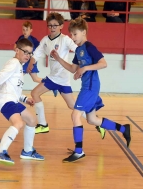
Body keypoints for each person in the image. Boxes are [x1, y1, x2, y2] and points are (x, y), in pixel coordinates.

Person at [51, 18, 131, 162]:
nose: (73, 38)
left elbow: (103, 63)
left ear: (84, 32)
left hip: (91, 87)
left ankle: (79, 151)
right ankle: (124, 129)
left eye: (75, 34)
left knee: (75, 116)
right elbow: (72, 68)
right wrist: (58, 59)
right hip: (87, 86)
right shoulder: (78, 50)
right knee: (92, 119)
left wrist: (86, 68)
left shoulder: (89, 47)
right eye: (71, 35)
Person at [27, 12, 105, 138]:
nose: (52, 28)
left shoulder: (66, 39)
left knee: (35, 93)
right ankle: (96, 122)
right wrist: (31, 62)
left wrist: (82, 68)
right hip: (57, 77)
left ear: (61, 26)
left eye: (55, 25)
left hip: (60, 76)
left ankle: (43, 125)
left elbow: (80, 51)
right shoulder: (46, 40)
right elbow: (37, 53)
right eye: (50, 25)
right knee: (72, 106)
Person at [0, 38, 45, 166]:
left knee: (32, 120)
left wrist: (25, 99)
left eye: (30, 53)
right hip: (5, 101)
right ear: (17, 50)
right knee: (18, 123)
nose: (28, 55)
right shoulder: (14, 63)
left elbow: (13, 90)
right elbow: (1, 75)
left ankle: (27, 151)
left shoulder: (19, 67)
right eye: (25, 52)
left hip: (13, 100)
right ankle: (0, 152)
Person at [14, 21, 58, 97]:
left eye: (26, 30)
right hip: (24, 61)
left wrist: (49, 52)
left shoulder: (33, 40)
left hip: (30, 61)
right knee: (35, 79)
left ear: (31, 30)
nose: (25, 32)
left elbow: (41, 48)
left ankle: (16, 93)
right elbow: (15, 46)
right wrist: (17, 50)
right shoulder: (21, 38)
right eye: (23, 29)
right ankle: (52, 85)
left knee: (19, 75)